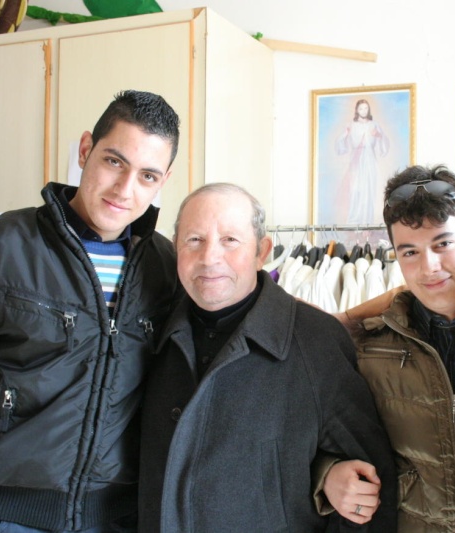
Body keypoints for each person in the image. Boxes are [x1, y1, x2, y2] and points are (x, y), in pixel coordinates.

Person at [0, 90, 181, 533]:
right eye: (114, 161)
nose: (125, 189)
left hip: (121, 518)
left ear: (163, 181)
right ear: (85, 150)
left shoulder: (166, 266)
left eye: (147, 176)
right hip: (5, 518)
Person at [137, 183, 397, 533]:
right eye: (194, 240)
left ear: (262, 251)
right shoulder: (148, 331)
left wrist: (329, 473)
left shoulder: (314, 339)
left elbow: (369, 483)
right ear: (176, 249)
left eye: (230, 240)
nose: (210, 257)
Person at [319, 165, 455, 531]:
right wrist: (327, 476)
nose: (429, 267)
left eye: (443, 244)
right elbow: (311, 437)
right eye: (410, 252)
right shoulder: (367, 346)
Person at [336, 99, 390, 224]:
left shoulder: (374, 124)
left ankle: (367, 220)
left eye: (366, 108)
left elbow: (384, 141)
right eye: (361, 108)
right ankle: (355, 220)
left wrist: (378, 136)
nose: (364, 111)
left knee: (369, 188)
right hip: (356, 159)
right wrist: (346, 134)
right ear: (357, 110)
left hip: (370, 159)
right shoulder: (351, 125)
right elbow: (340, 143)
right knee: (356, 188)